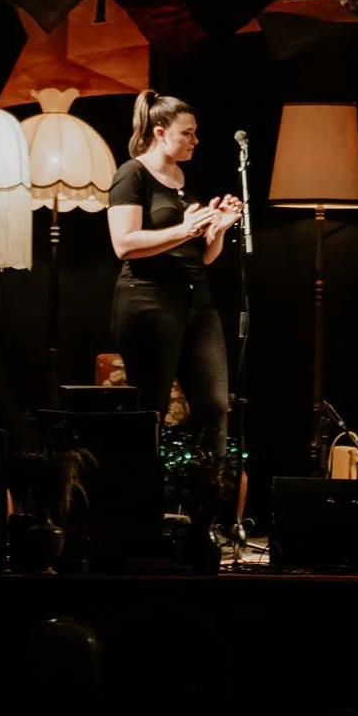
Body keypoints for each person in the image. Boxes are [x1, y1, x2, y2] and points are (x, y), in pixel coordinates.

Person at [107, 92, 243, 495]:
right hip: (148, 299)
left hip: (196, 302)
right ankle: (140, 507)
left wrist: (215, 230)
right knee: (152, 409)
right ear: (160, 133)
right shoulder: (132, 174)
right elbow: (124, 244)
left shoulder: (183, 180)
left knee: (215, 407)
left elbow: (201, 257)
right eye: (188, 133)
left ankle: (207, 512)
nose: (195, 141)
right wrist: (184, 229)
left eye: (196, 133)